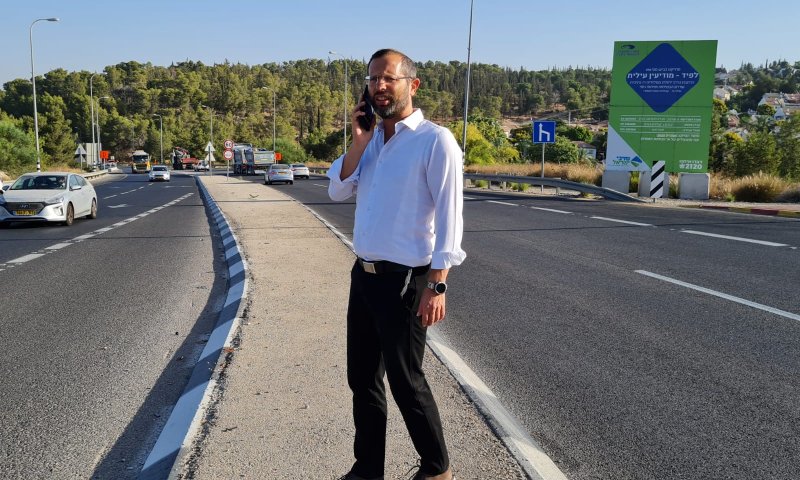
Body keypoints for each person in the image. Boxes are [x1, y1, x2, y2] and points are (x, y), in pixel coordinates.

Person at [328, 48, 465, 480]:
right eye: (372, 80)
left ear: (412, 84)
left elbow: (450, 216)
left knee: (407, 382)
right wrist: (358, 141)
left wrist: (437, 284)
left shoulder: (434, 140)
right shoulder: (370, 142)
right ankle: (368, 468)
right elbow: (337, 190)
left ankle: (436, 468)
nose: (379, 87)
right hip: (364, 277)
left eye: (388, 78)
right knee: (362, 380)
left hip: (406, 282)